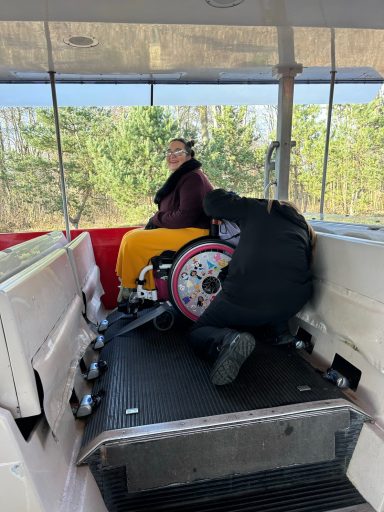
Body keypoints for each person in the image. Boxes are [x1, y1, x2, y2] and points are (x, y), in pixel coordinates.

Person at [189, 189, 316, 386]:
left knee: (198, 332)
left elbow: (211, 203)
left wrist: (230, 194)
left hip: (245, 297)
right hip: (290, 303)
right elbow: (284, 264)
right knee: (273, 291)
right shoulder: (304, 229)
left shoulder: (259, 207)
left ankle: (226, 340)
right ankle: (279, 334)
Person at [115, 138, 213, 302]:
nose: (172, 155)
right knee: (129, 236)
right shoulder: (183, 176)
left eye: (178, 151)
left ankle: (134, 289)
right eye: (169, 151)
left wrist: (157, 218)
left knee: (133, 240)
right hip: (186, 229)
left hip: (196, 233)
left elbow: (185, 217)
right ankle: (128, 284)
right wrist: (159, 219)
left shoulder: (193, 179)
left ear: (189, 155)